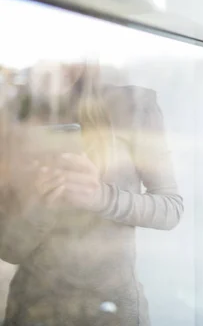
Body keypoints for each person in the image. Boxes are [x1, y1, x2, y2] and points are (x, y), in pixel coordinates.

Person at [0, 59, 183, 326]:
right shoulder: (15, 112)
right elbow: (10, 250)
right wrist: (44, 203)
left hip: (112, 310)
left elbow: (171, 209)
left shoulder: (132, 105)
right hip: (32, 310)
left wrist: (100, 197)